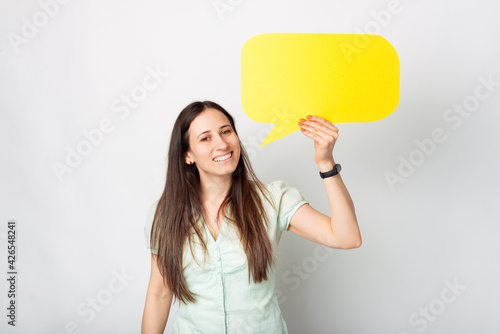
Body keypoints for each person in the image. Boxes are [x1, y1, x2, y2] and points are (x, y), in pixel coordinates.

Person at [141, 101, 361, 334]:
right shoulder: (165, 214)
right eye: (205, 138)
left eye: (226, 131)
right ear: (187, 155)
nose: (222, 143)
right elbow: (160, 293)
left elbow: (346, 237)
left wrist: (326, 163)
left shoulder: (273, 199)